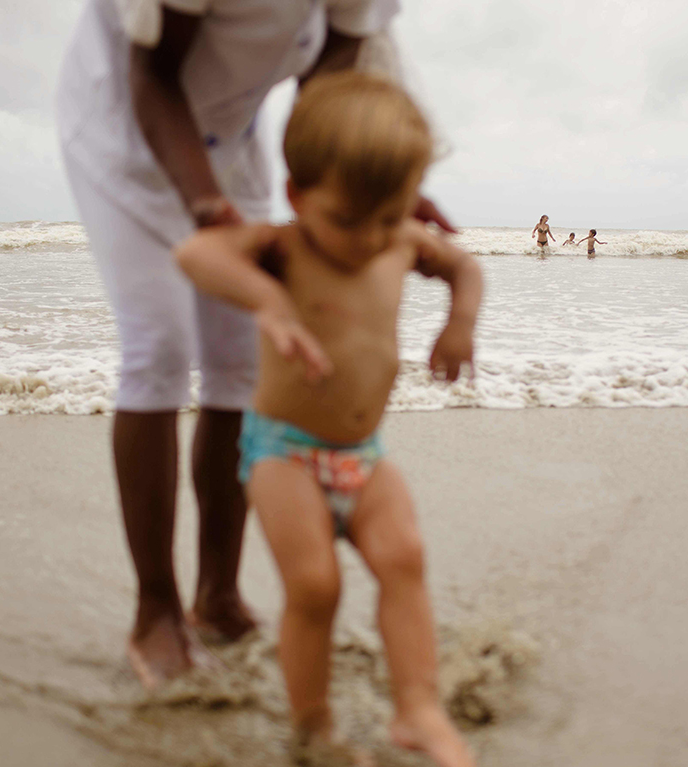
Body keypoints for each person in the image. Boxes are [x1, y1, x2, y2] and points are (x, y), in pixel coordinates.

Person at [55, 0, 454, 690]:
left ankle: (217, 596)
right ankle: (156, 610)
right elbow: (153, 71)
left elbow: (332, 81)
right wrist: (208, 209)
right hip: (131, 126)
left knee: (242, 363)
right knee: (159, 351)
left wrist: (369, 186)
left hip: (233, 143)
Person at [175, 72, 482, 767]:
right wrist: (267, 302)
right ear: (298, 195)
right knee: (315, 584)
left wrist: (460, 322)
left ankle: (418, 710)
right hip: (284, 451)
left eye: (388, 216)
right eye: (346, 220)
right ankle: (314, 724)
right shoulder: (284, 246)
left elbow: (465, 267)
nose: (367, 240)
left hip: (364, 454)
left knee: (405, 558)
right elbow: (196, 253)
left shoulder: (397, 239)